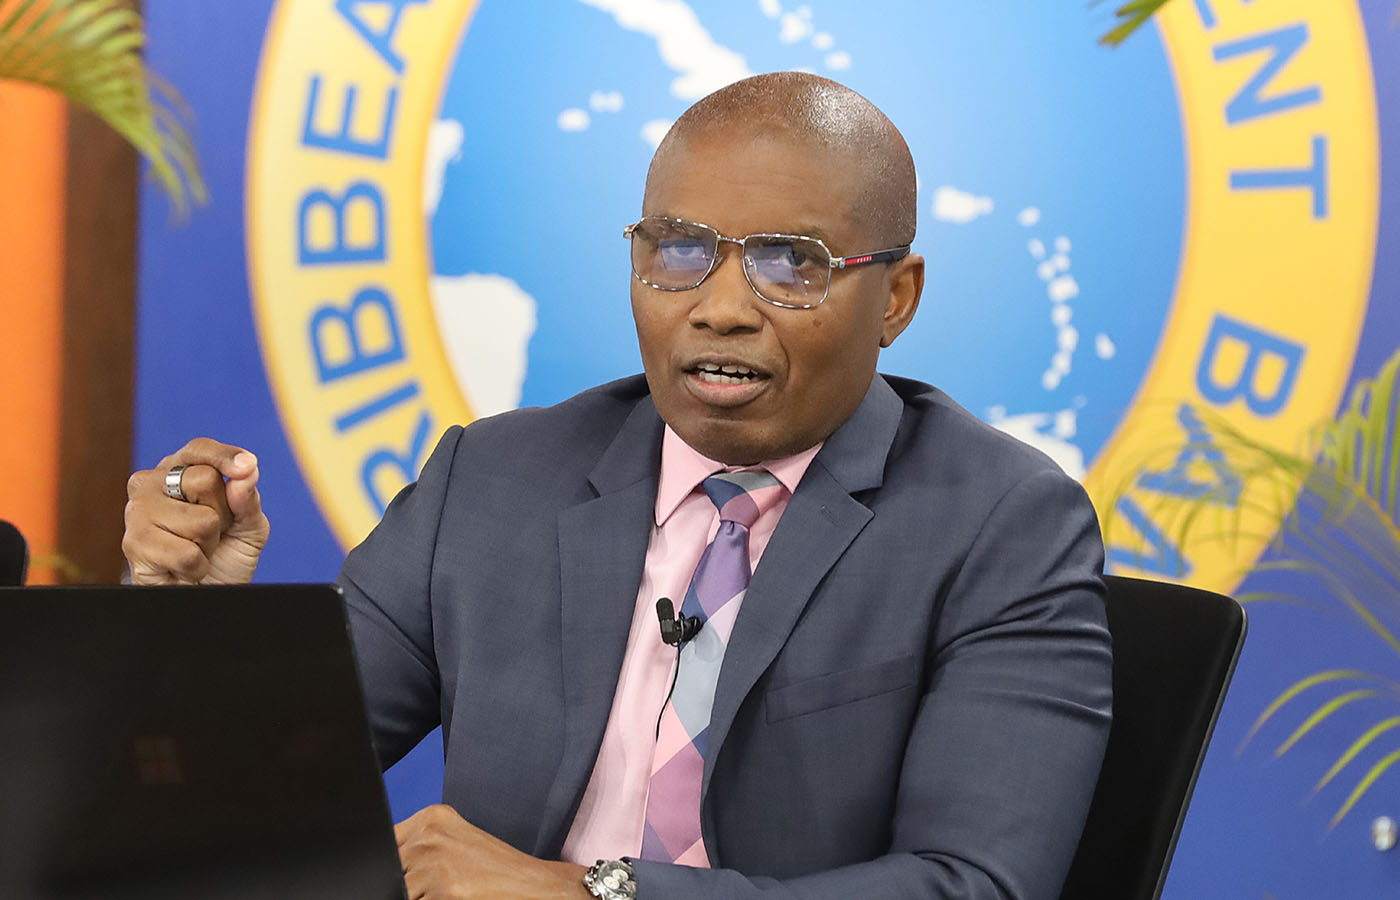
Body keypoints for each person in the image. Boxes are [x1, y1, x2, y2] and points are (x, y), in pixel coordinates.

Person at [122, 73, 1112, 900]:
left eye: (788, 264)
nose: (719, 307)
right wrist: (186, 622)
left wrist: (593, 893)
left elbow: (976, 883)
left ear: (892, 297)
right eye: (678, 251)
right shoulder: (494, 479)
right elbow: (249, 788)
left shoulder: (999, 522)